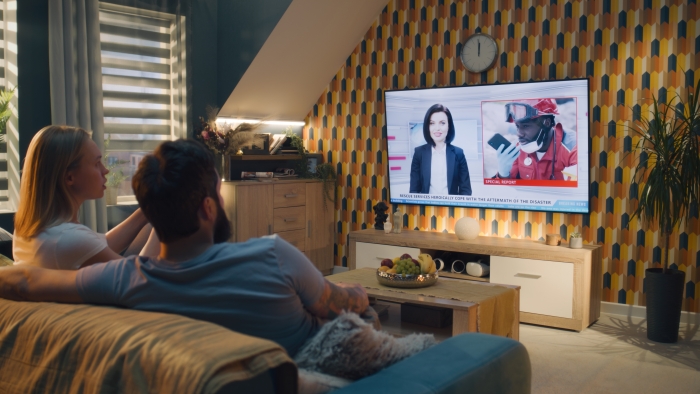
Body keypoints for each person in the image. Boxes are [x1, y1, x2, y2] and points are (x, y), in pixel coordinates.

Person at [0, 139, 371, 357]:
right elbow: (340, 303)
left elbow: (25, 283)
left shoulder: (121, 280)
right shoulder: (273, 255)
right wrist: (362, 294)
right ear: (208, 207)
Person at [12, 125, 159, 270]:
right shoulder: (66, 239)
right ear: (69, 177)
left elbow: (97, 247)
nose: (105, 170)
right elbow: (140, 277)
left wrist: (146, 210)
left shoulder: (32, 229)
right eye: (96, 164)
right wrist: (165, 222)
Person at [494, 98, 577, 180]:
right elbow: (508, 190)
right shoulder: (517, 150)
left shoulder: (572, 147)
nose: (519, 133)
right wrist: (503, 174)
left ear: (547, 123)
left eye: (526, 126)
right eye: (517, 126)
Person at [409, 104, 472, 195]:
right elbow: (414, 190)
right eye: (432, 123)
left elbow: (466, 190)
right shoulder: (419, 153)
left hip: (452, 208)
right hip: (426, 207)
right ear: (428, 127)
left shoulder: (458, 153)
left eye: (442, 123)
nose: (437, 128)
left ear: (449, 126)